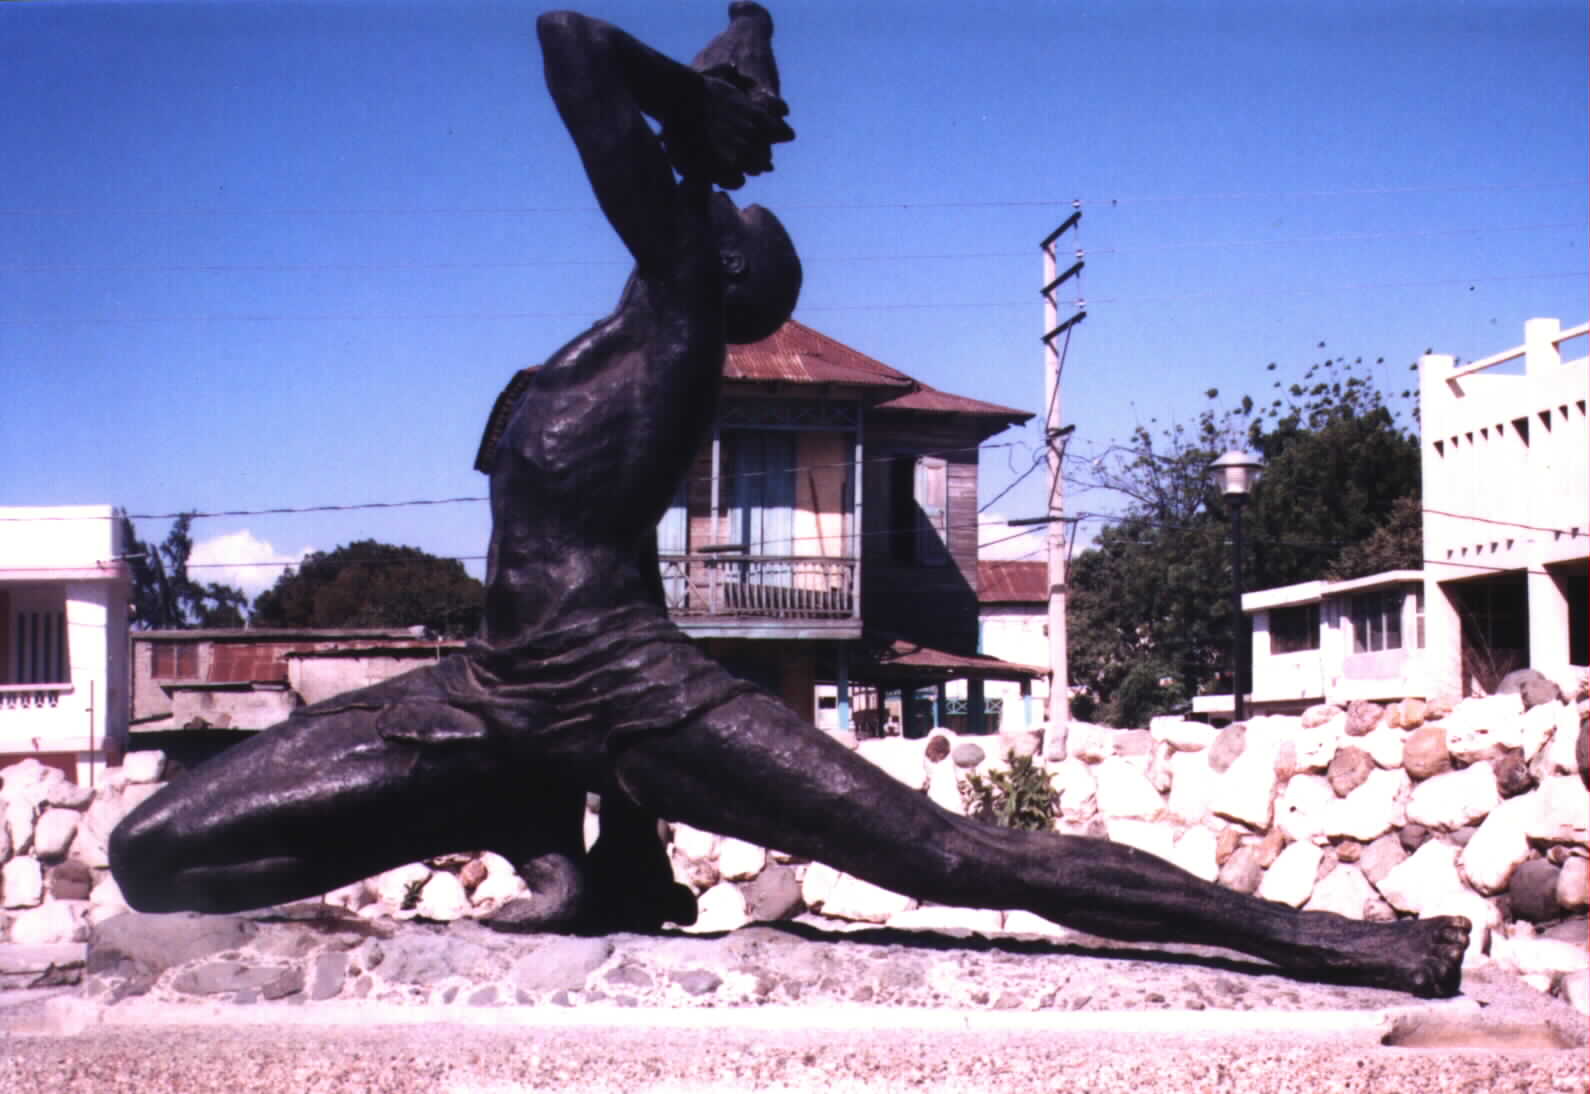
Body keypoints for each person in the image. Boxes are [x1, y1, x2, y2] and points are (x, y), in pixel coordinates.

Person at [111, 6, 1470, 997]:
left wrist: (692, 102)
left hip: (620, 689)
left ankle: (1335, 941)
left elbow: (571, 44)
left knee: (945, 852)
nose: (662, 201)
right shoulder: (594, 348)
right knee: (151, 853)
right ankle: (553, 838)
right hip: (497, 688)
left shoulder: (685, 322)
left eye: (687, 204)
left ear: (715, 261)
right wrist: (737, 48)